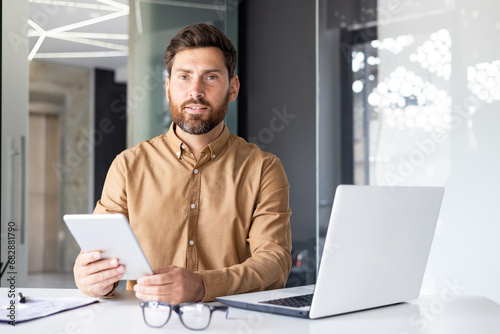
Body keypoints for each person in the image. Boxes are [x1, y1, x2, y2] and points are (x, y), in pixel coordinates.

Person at [73, 23, 292, 303]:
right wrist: (90, 278)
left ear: (233, 88)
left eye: (210, 77)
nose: (195, 91)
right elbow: (99, 255)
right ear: (167, 87)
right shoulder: (127, 166)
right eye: (184, 77)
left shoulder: (264, 169)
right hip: (142, 325)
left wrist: (204, 285)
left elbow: (274, 264)